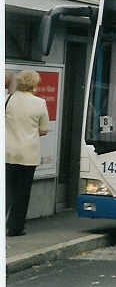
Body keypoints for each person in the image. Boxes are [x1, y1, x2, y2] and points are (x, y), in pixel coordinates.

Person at [6, 70, 49, 237]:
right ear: (34, 84)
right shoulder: (39, 103)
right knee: (22, 193)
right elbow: (44, 130)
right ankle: (15, 228)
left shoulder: (7, 99)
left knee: (6, 189)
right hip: (28, 155)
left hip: (7, 153)